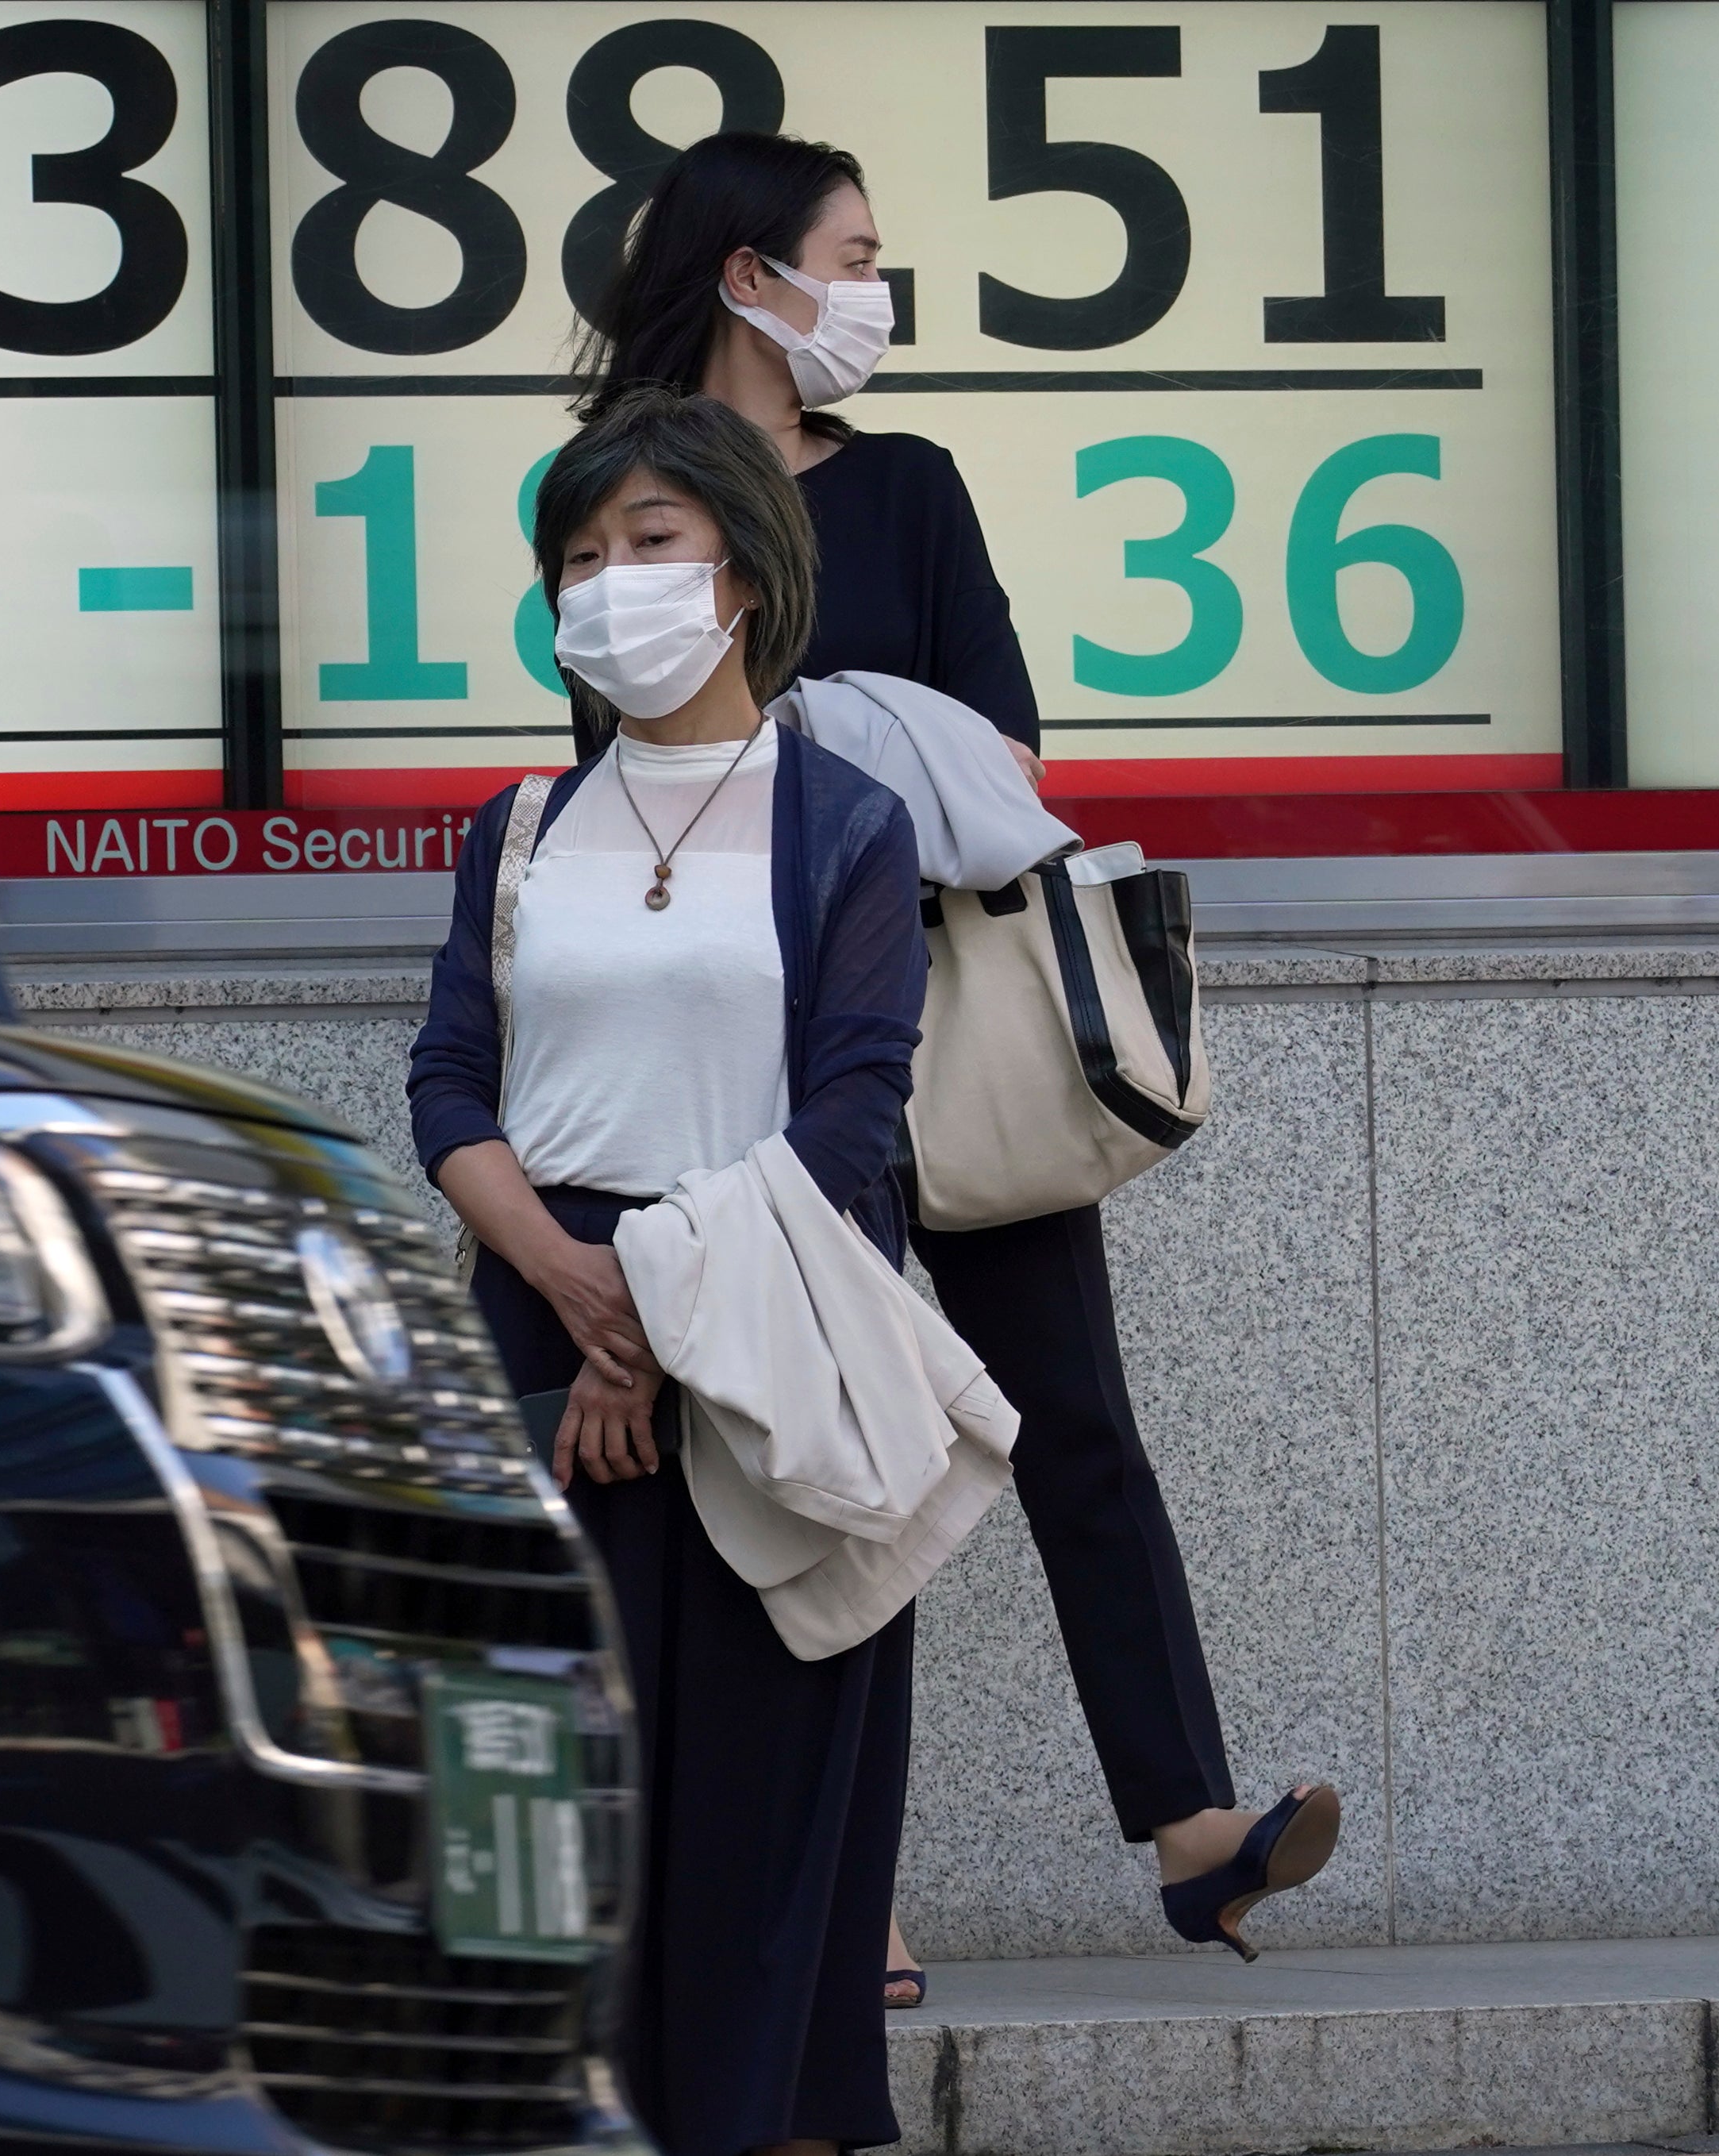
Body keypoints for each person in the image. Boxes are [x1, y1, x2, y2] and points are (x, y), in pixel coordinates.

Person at [579, 131, 1336, 1991]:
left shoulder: (908, 486)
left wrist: (824, 743)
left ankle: (1192, 1831)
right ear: (752, 277)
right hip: (749, 1056)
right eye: (851, 251)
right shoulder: (634, 505)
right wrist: (833, 753)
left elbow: (1000, 753)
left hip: (950, 1034)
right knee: (805, 1459)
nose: (874, 286)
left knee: (1072, 1417)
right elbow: (635, 770)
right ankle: (851, 1899)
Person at [409, 384, 925, 2156]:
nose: (608, 582)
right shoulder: (520, 830)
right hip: (542, 1324)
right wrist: (568, 1278)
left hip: (764, 1318)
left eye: (648, 544)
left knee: (771, 1798)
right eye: (578, 554)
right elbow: (449, 1085)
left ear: (746, 578)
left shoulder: (845, 823)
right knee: (548, 1789)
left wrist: (651, 1314)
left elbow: (858, 1105)